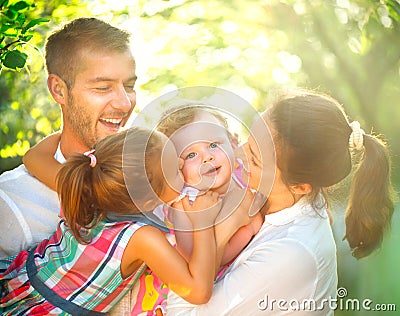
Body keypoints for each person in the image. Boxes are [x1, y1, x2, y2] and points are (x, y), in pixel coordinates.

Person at [166, 89, 395, 315]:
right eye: (248, 141)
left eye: (254, 159)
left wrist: (224, 229)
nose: (240, 155)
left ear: (300, 186)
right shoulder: (278, 199)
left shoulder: (291, 253)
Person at [0, 127, 254, 315]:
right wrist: (205, 222)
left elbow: (33, 157)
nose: (181, 162)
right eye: (175, 170)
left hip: (18, 281)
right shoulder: (142, 238)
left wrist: (81, 141)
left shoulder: (87, 190)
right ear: (147, 202)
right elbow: (198, 291)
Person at [0, 17, 138, 258]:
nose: (124, 103)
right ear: (59, 90)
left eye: (128, 86)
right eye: (103, 88)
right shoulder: (11, 201)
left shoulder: (154, 174)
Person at [156, 105, 264, 265]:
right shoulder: (184, 205)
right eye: (191, 155)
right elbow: (196, 260)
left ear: (233, 144)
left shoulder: (242, 173)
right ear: (175, 167)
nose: (207, 157)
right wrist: (248, 230)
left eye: (213, 145)